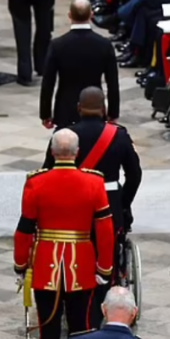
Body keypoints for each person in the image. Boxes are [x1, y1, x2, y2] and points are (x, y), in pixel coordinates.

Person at [13, 129, 115, 339]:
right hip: (80, 266)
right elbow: (105, 229)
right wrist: (104, 267)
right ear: (77, 152)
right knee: (81, 332)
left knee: (48, 333)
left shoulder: (36, 182)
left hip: (45, 267)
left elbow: (24, 229)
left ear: (52, 151)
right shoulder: (94, 181)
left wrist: (20, 265)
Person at [42, 86, 141, 271]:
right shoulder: (119, 136)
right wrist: (122, 202)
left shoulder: (64, 137)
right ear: (103, 109)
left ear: (79, 108)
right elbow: (134, 175)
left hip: (71, 205)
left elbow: (47, 173)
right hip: (109, 204)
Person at [40, 0, 119, 130]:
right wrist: (113, 113)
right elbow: (112, 82)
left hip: (65, 109)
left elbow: (48, 82)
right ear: (91, 15)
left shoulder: (57, 45)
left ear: (69, 15)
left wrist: (45, 114)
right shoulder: (104, 45)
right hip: (95, 107)